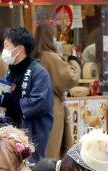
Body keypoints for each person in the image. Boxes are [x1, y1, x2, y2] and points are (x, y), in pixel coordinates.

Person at [0, 26, 54, 164]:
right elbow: (2, 98)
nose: (4, 50)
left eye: (7, 46)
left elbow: (40, 102)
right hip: (9, 132)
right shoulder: (10, 71)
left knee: (28, 169)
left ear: (19, 49)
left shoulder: (39, 72)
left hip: (31, 132)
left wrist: (12, 102)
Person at [32, 22, 80, 158]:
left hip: (36, 108)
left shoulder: (34, 57)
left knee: (39, 149)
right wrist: (74, 61)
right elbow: (71, 77)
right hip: (51, 107)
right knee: (52, 151)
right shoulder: (50, 57)